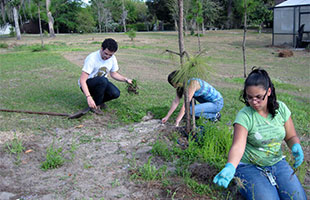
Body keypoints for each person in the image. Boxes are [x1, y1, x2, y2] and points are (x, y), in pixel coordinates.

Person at [213, 68, 306, 200]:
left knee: (297, 197)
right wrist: (230, 166)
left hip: (277, 163)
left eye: (258, 97)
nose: (253, 102)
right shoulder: (244, 116)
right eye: (249, 97)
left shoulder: (281, 110)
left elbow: (290, 136)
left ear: (268, 92)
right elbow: (238, 146)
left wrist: (295, 145)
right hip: (249, 167)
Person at [78, 38, 132, 114]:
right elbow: (82, 80)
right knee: (103, 80)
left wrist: (126, 79)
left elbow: (114, 74)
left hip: (101, 83)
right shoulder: (92, 58)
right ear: (102, 49)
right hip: (87, 84)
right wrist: (88, 97)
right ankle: (96, 106)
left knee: (115, 93)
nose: (107, 57)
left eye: (110, 55)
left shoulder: (112, 59)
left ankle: (98, 101)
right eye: (106, 53)